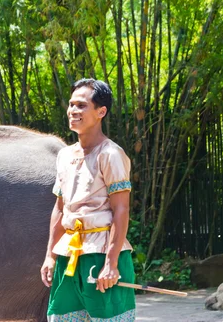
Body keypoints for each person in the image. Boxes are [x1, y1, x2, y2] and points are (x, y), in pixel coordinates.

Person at [40, 79, 136, 321]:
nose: (73, 111)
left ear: (101, 112)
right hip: (69, 254)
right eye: (71, 105)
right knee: (62, 317)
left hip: (101, 253)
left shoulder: (111, 154)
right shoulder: (64, 155)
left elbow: (121, 209)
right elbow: (60, 209)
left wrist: (111, 263)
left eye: (81, 105)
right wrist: (50, 256)